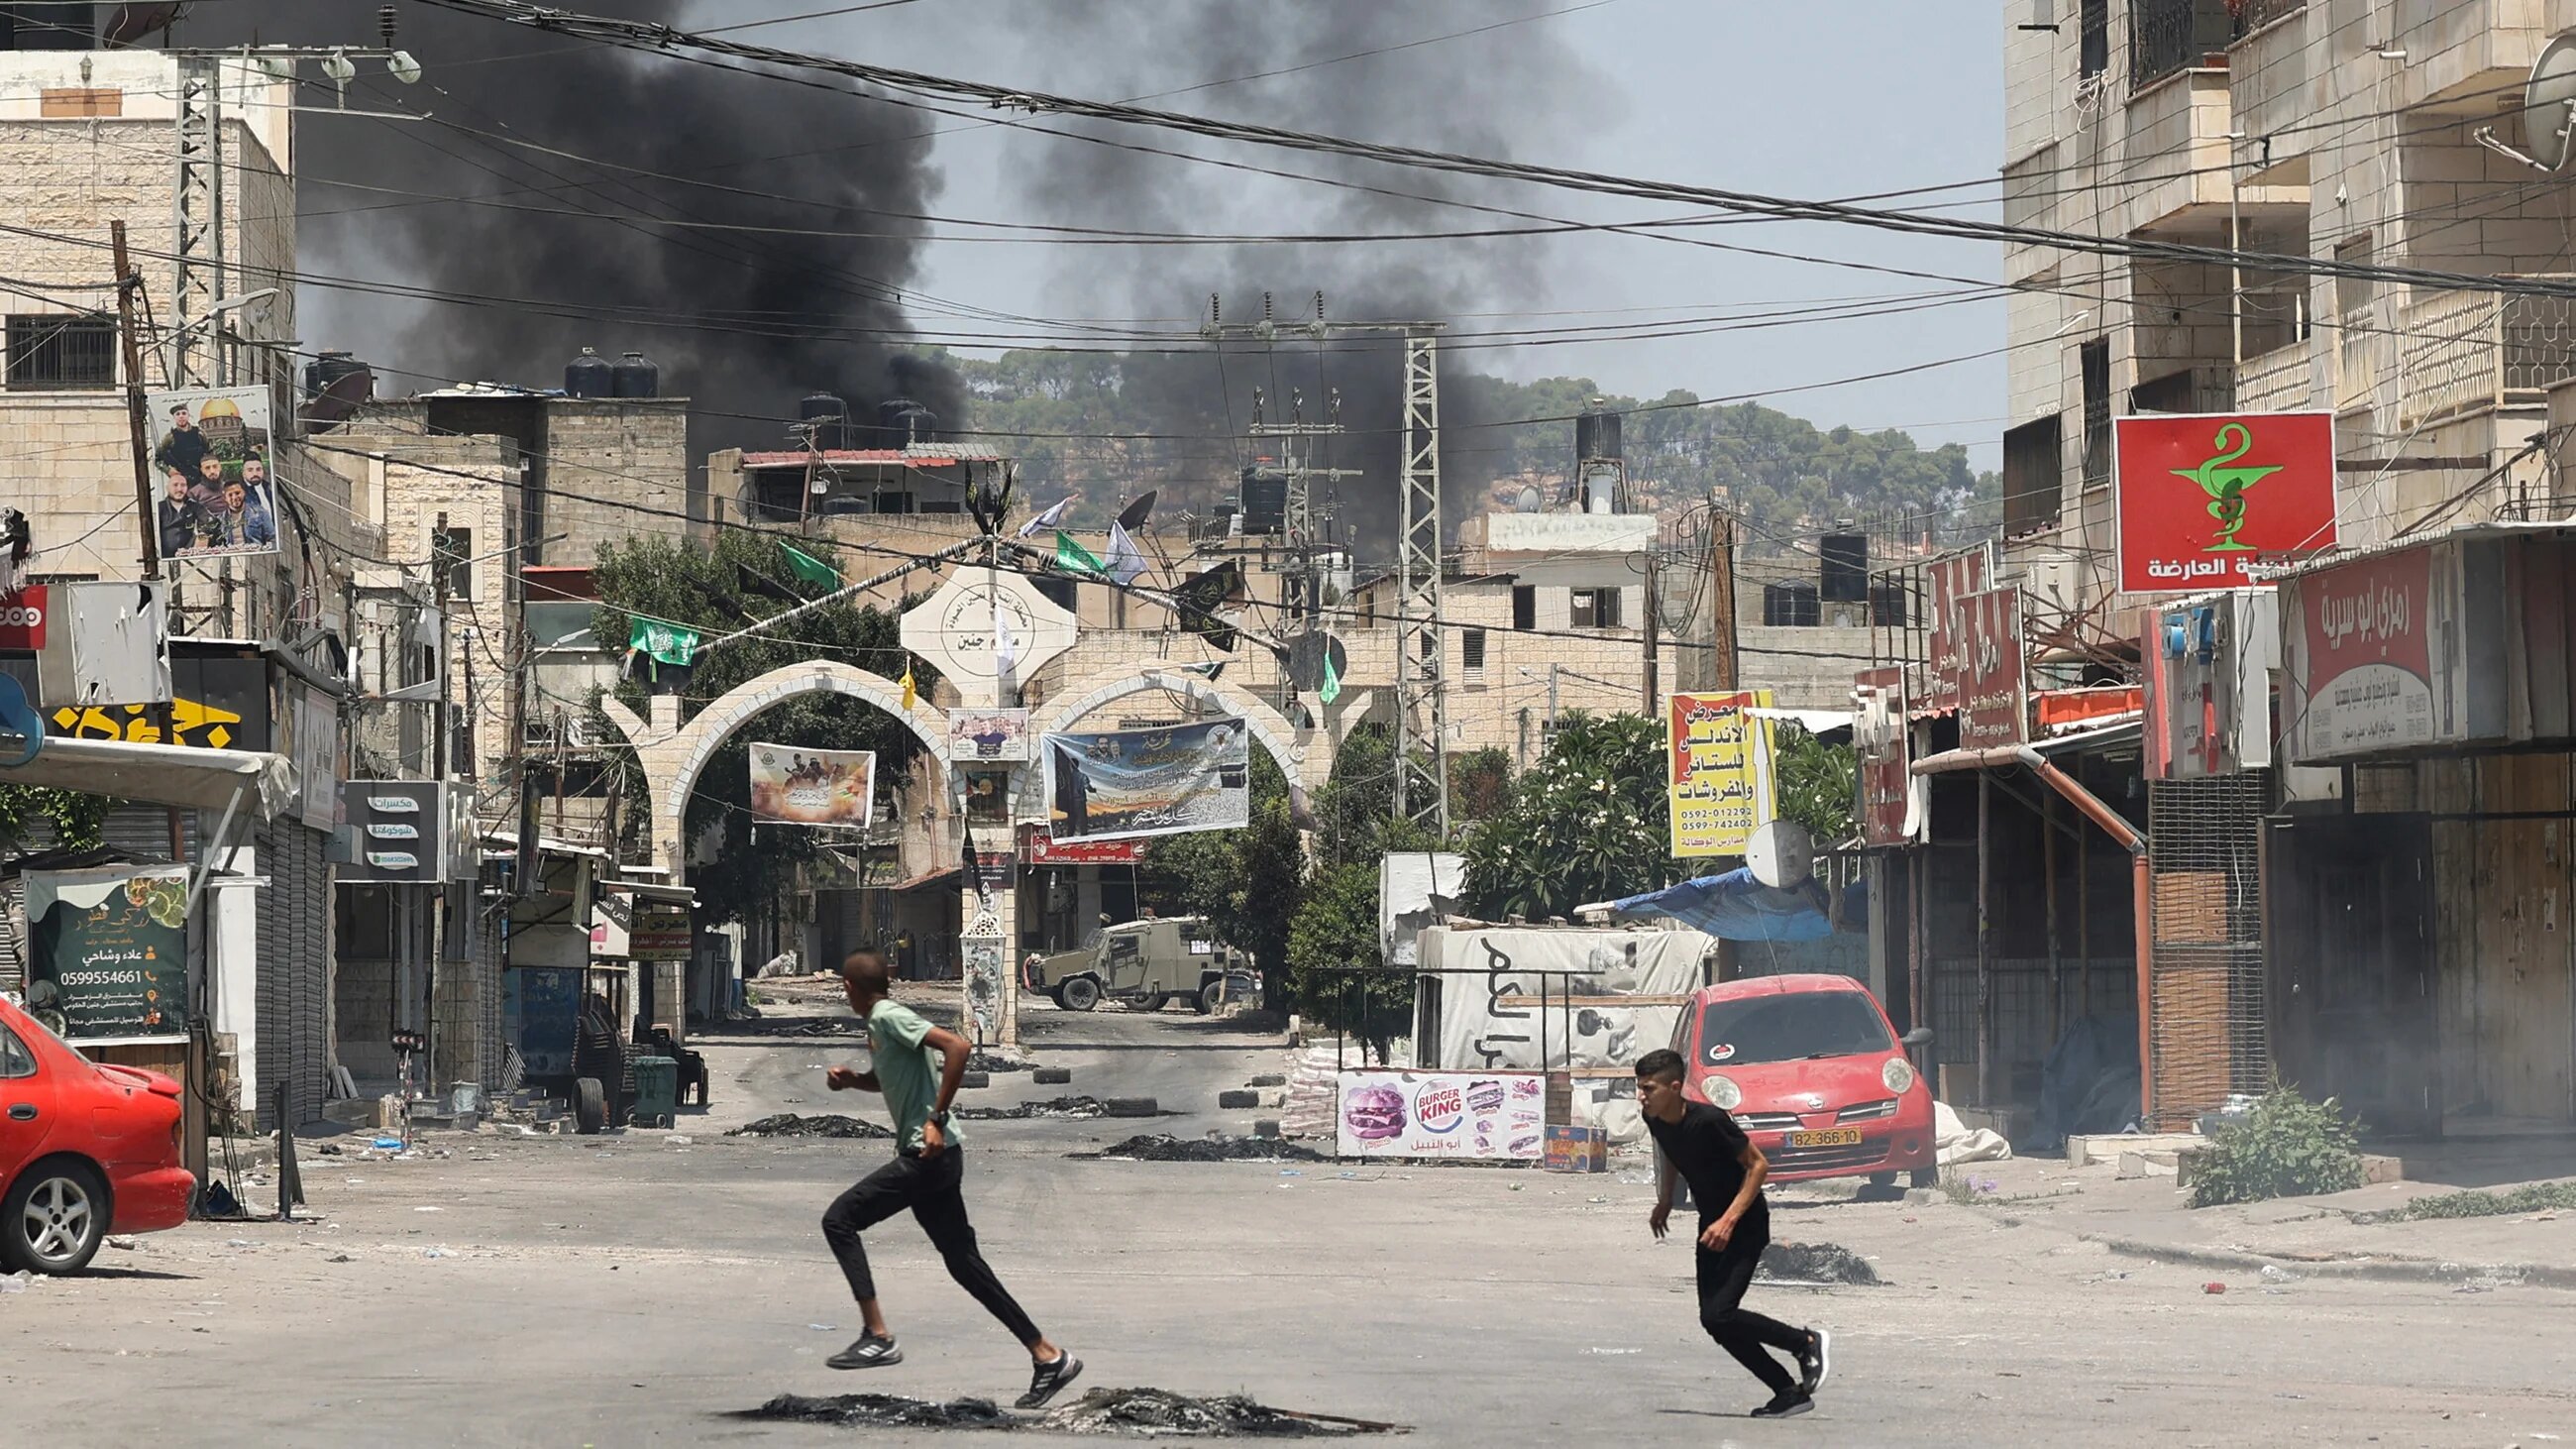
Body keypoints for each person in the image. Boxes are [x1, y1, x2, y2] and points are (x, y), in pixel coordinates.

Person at [818, 947, 1081, 1407]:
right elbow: (889, 1079)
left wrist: (936, 1117)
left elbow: (956, 1046)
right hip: (938, 1158)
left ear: (850, 988)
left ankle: (877, 1334)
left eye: (844, 986)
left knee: (839, 1220)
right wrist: (853, 1080)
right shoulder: (881, 1023)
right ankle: (1049, 1356)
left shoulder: (886, 1016)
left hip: (927, 1156)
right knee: (963, 1263)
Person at [1637, 1048, 1829, 1419]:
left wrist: (1728, 1220)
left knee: (1720, 1314)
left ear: (1675, 1087)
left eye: (1649, 1088)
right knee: (1714, 1321)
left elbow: (1759, 1166)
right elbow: (1670, 1152)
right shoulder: (1654, 1117)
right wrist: (1665, 1199)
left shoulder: (1709, 1120)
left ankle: (1805, 1342)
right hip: (1710, 1224)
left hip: (1744, 1223)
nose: (1642, 1096)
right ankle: (1788, 1391)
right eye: (1640, 1087)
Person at [153, 403, 208, 483]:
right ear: (174, 418)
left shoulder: (200, 434)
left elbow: (210, 453)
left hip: (201, 478)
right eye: (178, 414)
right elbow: (158, 460)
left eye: (184, 413)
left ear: (188, 415)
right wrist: (168, 470)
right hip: (180, 480)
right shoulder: (169, 438)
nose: (181, 416)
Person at [157, 467, 202, 558]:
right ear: (167, 488)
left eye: (183, 485)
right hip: (165, 558)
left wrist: (202, 538)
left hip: (190, 556)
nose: (179, 489)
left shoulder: (195, 506)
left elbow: (209, 523)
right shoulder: (159, 508)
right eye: (175, 485)